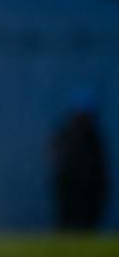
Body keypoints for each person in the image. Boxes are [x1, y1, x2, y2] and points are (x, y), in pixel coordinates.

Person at [51, 88, 109, 231]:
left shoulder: (93, 138)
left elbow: (100, 167)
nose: (84, 119)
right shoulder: (67, 133)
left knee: (86, 223)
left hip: (88, 190)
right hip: (71, 188)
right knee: (68, 223)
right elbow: (55, 155)